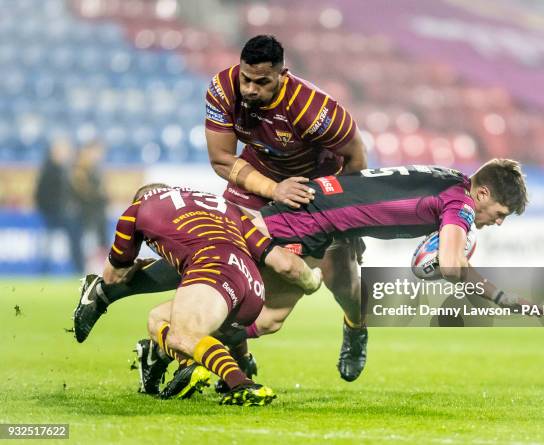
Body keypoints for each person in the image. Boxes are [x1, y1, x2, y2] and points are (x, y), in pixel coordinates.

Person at [73, 35, 370, 383]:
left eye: (262, 82)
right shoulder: (222, 88)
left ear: (282, 75)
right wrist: (274, 188)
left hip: (314, 193)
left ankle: (355, 328)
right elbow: (221, 159)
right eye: (247, 78)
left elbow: (355, 159)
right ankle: (110, 293)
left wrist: (350, 221)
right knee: (216, 249)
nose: (250, 89)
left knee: (339, 281)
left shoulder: (315, 110)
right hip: (259, 179)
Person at [153, 158, 536, 396]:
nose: (498, 222)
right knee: (215, 273)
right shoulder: (463, 203)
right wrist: (500, 297)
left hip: (321, 219)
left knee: (268, 318)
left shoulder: (451, 178)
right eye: (500, 213)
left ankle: (182, 343)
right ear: (483, 193)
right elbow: (452, 264)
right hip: (303, 220)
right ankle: (171, 336)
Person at [99, 183, 322, 406]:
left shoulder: (139, 209)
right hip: (253, 289)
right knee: (158, 319)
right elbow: (281, 261)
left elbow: (112, 277)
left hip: (214, 270)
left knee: (181, 335)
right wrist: (312, 281)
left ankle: (240, 384)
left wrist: (136, 266)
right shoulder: (227, 208)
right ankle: (201, 364)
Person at [35, 138, 84, 274]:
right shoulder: (49, 171)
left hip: (62, 213)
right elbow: (40, 195)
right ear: (54, 153)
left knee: (76, 226)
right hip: (52, 214)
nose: (65, 155)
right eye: (62, 152)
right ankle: (78, 267)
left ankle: (78, 266)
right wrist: (54, 208)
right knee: (74, 230)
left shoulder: (64, 170)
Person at [72, 140, 108, 258]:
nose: (99, 155)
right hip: (86, 211)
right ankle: (86, 265)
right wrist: (99, 196)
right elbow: (83, 191)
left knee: (98, 239)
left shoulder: (94, 168)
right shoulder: (80, 169)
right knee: (88, 241)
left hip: (96, 211)